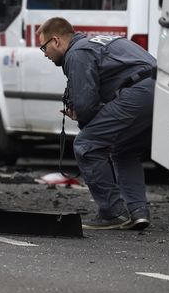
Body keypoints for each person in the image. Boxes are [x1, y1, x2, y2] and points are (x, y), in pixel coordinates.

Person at [36, 17, 156, 230]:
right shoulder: (96, 42)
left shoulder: (76, 53)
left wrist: (82, 119)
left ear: (56, 41)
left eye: (44, 48)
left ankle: (112, 213)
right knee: (124, 151)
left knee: (86, 145)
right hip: (160, 92)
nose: (44, 54)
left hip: (137, 93)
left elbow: (86, 105)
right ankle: (138, 212)